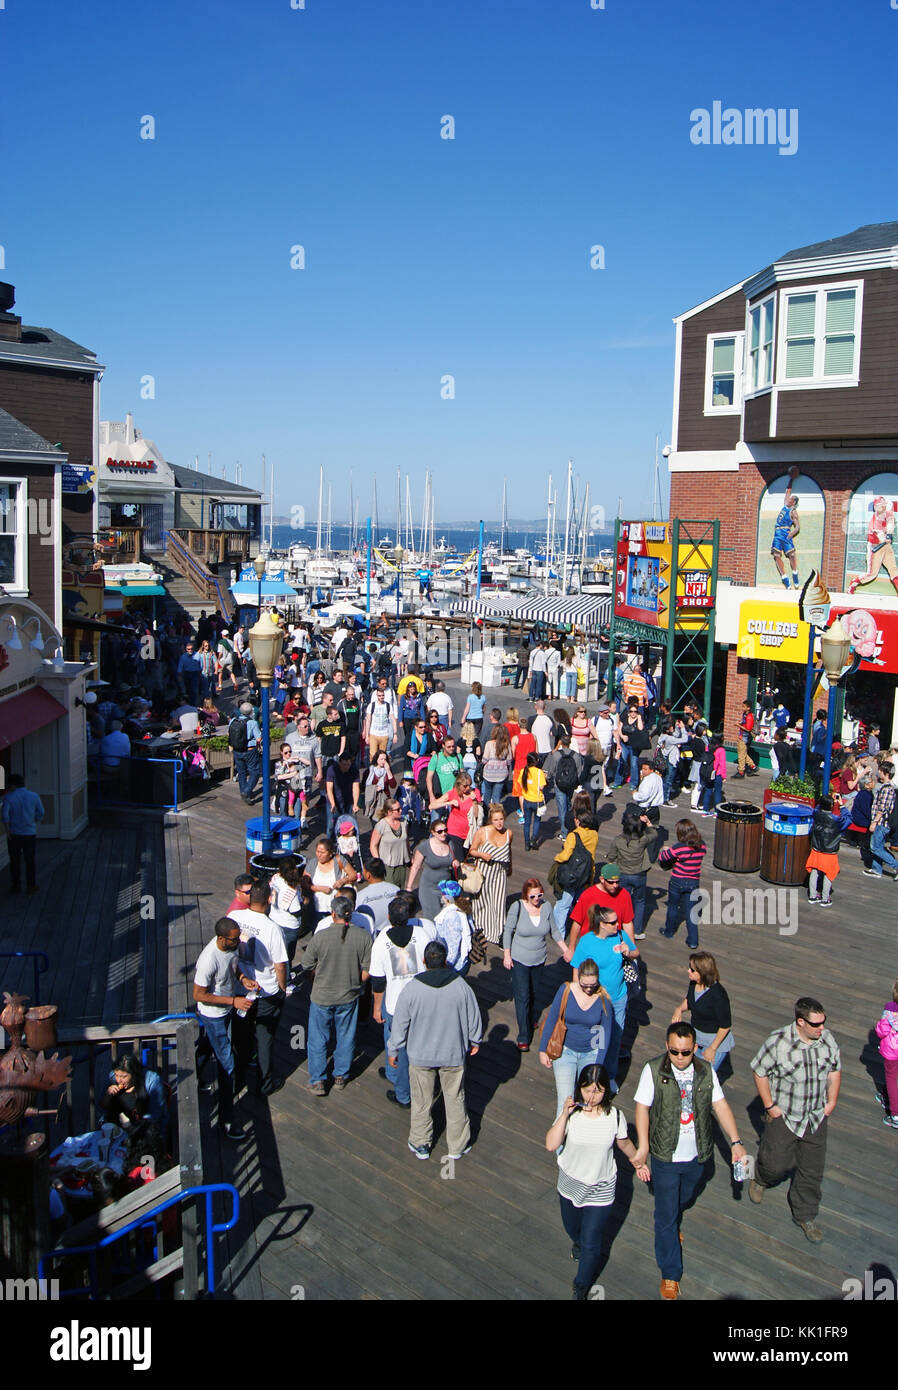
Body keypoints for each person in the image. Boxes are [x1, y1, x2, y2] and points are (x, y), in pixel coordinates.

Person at [633, 1022, 747, 1300]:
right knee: (664, 1216)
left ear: (695, 1048)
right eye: (674, 1051)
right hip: (665, 1155)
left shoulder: (705, 1071)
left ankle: (673, 1224)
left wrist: (735, 1142)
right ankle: (670, 1273)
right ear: (666, 1047)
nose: (680, 1058)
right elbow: (642, 1108)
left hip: (697, 1155)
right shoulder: (653, 1070)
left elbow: (719, 1105)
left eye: (686, 1052)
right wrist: (644, 1145)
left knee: (684, 1197)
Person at [546, 1062, 646, 1300]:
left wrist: (638, 1161)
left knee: (593, 1242)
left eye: (598, 1091)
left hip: (601, 1187)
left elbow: (623, 1143)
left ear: (606, 1091)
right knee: (572, 1227)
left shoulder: (615, 1116)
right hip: (570, 1183)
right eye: (587, 1089)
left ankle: (581, 1284)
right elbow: (551, 1144)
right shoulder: (572, 1115)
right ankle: (577, 1242)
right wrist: (564, 1114)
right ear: (579, 1088)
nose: (591, 1096)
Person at [749, 998, 841, 1242]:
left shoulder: (827, 1040)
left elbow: (834, 1069)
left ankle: (805, 1215)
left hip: (816, 1116)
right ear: (800, 1022)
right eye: (816, 1024)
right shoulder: (778, 1042)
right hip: (786, 1115)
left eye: (824, 1022)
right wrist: (769, 1105)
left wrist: (831, 1101)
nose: (822, 1028)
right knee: (774, 1163)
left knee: (812, 1170)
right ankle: (761, 1178)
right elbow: (759, 1071)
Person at [387, 938, 482, 1161]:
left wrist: (393, 1050)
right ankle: (457, 1145)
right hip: (452, 1054)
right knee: (455, 1098)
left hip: (420, 1056)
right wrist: (474, 1040)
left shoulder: (412, 989)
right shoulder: (461, 986)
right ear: (446, 960)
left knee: (421, 1100)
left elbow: (399, 1024)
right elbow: (473, 1018)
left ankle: (421, 1143)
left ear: (424, 961)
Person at [370, 895, 437, 1108]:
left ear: (389, 917)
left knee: (396, 1046)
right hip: (421, 1001)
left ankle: (402, 1093)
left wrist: (377, 1007)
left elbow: (378, 981)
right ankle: (419, 1085)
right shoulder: (421, 934)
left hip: (395, 1003)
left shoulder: (381, 941)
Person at [193, 918, 256, 1140]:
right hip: (213, 1015)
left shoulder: (231, 948)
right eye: (234, 939)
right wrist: (233, 1001)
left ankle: (197, 1077)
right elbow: (198, 994)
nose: (239, 942)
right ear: (221, 939)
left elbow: (233, 966)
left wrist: (243, 978)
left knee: (208, 1044)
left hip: (224, 1011)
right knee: (227, 1064)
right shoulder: (208, 960)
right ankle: (226, 1121)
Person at [303, 894, 372, 1097]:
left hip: (322, 996)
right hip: (349, 996)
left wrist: (316, 977)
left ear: (333, 914)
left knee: (317, 1039)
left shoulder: (320, 937)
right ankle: (341, 1075)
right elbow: (367, 971)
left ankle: (318, 1080)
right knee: (346, 1036)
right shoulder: (363, 937)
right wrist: (356, 984)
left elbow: (307, 966)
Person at [228, 879, 289, 1097]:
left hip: (239, 987)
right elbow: (280, 965)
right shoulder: (272, 928)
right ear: (268, 900)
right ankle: (264, 1083)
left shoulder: (234, 918)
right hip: (266, 991)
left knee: (240, 1037)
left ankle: (237, 1079)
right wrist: (283, 988)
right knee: (264, 1038)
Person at [569, 903, 638, 1088]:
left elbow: (636, 951)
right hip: (596, 1000)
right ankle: (591, 1077)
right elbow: (576, 967)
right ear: (602, 924)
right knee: (596, 1040)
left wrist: (628, 951)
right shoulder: (586, 941)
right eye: (613, 922)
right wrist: (576, 995)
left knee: (615, 1038)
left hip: (618, 998)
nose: (618, 924)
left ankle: (610, 1076)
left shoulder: (620, 936)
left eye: (618, 921)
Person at [539, 960, 614, 1113]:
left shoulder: (603, 999)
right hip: (565, 1051)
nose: (588, 989)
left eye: (592, 985)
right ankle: (560, 1134)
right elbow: (552, 1018)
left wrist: (597, 1067)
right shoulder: (566, 990)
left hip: (590, 1054)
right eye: (584, 984)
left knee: (587, 1102)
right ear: (578, 977)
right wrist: (542, 1049)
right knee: (565, 1103)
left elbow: (604, 1036)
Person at [503, 877, 566, 1051]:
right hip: (519, 958)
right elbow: (508, 931)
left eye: (539, 895)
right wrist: (507, 955)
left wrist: (565, 950)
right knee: (522, 995)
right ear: (525, 896)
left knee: (533, 991)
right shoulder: (517, 907)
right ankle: (524, 1035)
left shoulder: (546, 907)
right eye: (532, 897)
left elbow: (554, 930)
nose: (536, 899)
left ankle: (529, 1018)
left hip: (539, 958)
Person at [671, 951, 734, 1073]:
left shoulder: (718, 995)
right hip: (697, 1038)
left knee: (704, 1078)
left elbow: (725, 1026)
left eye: (692, 970)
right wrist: (679, 1009)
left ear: (703, 973)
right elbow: (690, 1000)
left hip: (713, 1042)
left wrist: (712, 1049)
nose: (688, 971)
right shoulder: (694, 984)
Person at [607, 806, 657, 941]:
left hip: (623, 874)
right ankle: (638, 930)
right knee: (639, 901)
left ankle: (620, 927)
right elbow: (654, 834)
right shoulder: (642, 840)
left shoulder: (618, 840)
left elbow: (611, 857)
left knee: (622, 901)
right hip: (639, 874)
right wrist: (648, 823)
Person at [467, 801, 514, 945]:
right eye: (495, 820)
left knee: (499, 902)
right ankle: (481, 930)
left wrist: (510, 867)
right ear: (490, 820)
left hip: (499, 871)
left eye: (501, 819)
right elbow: (471, 850)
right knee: (482, 901)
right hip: (484, 870)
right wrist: (482, 855)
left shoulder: (508, 833)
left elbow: (509, 851)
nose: (499, 823)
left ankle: (500, 935)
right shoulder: (483, 832)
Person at [658, 819, 707, 948]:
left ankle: (669, 931)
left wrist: (664, 850)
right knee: (691, 912)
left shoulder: (679, 847)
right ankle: (693, 940)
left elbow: (663, 858)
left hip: (677, 881)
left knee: (673, 906)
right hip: (693, 882)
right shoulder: (702, 845)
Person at [551, 807, 598, 935]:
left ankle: (558, 933)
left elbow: (565, 855)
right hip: (586, 874)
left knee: (562, 905)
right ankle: (587, 928)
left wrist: (557, 857)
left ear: (577, 821)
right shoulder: (594, 835)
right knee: (582, 902)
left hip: (572, 874)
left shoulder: (573, 835)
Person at [405, 818, 459, 920]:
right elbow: (416, 866)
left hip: (446, 889)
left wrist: (454, 862)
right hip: (429, 889)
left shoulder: (450, 842)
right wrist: (409, 887)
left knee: (447, 919)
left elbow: (451, 859)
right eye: (440, 831)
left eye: (445, 830)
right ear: (433, 833)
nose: (444, 833)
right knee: (432, 919)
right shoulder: (425, 846)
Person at [103, 1052, 169, 1133]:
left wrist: (131, 1126)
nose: (119, 1080)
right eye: (116, 1075)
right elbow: (102, 1107)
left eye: (124, 1077)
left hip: (145, 1129)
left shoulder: (150, 1080)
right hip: (116, 1129)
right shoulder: (112, 1078)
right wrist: (108, 1095)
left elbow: (156, 1114)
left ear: (134, 1074)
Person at [2, 772, 45, 894]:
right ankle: (31, 886)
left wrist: (8, 831)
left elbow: (5, 816)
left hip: (14, 833)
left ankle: (16, 885)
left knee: (14, 860)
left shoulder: (8, 797)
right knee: (30, 860)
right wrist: (33, 821)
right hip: (29, 832)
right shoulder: (34, 796)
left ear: (13, 785)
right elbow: (41, 812)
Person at [806, 793, 851, 904]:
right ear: (831, 806)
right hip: (830, 851)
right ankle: (825, 898)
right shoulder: (836, 820)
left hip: (817, 848)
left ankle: (812, 896)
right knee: (829, 873)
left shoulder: (816, 814)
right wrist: (842, 805)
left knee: (814, 871)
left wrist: (823, 802)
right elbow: (849, 819)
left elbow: (816, 809)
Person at [302, 836, 356, 924]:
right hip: (317, 908)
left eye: (322, 852)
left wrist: (342, 881)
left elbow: (353, 875)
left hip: (336, 909)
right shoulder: (312, 863)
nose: (319, 855)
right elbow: (304, 883)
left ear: (330, 853)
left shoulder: (339, 860)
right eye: (317, 851)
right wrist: (319, 888)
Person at [430, 770, 482, 862]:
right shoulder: (453, 793)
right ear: (458, 785)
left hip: (469, 833)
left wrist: (474, 801)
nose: (468, 788)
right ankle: (457, 875)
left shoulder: (475, 792)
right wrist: (449, 802)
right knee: (459, 860)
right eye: (465, 786)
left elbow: (476, 815)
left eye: (470, 785)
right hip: (454, 832)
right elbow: (432, 806)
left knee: (467, 859)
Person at [543, 735, 583, 841]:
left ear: (561, 743)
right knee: (569, 804)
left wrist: (549, 778)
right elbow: (579, 771)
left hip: (559, 784)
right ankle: (571, 825)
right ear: (570, 742)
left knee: (562, 808)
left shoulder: (556, 755)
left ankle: (564, 832)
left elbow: (552, 770)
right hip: (571, 784)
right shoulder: (576, 756)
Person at [864, 760, 898, 879]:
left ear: (885, 773)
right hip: (883, 822)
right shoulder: (889, 787)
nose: (878, 772)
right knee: (879, 845)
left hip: (882, 822)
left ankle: (896, 866)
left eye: (880, 770)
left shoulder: (887, 788)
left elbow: (882, 808)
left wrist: (874, 822)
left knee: (875, 847)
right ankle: (876, 869)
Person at [770, 467, 802, 589]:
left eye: (791, 499)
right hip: (778, 533)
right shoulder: (785, 505)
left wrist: (791, 534)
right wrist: (791, 479)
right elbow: (787, 491)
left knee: (792, 555)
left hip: (786, 532)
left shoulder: (793, 512)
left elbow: (797, 527)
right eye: (789, 498)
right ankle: (785, 577)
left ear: (794, 502)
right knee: (776, 555)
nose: (789, 499)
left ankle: (795, 573)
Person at [433, 880, 473, 975]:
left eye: (443, 894)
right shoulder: (462, 908)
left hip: (455, 967)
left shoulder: (451, 917)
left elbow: (453, 946)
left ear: (447, 898)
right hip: (460, 963)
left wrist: (445, 966)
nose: (441, 897)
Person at [873, 979, 898, 1129]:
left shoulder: (890, 1009)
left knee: (892, 1079)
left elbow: (882, 1031)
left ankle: (895, 1114)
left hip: (892, 1052)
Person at [369, 800, 411, 888]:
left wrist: (409, 857)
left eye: (401, 808)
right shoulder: (381, 825)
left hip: (401, 863)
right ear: (389, 812)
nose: (401, 811)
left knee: (400, 890)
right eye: (398, 809)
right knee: (389, 890)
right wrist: (378, 863)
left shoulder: (404, 822)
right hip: (387, 865)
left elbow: (406, 840)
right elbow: (373, 845)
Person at [229, 702, 263, 805]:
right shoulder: (252, 723)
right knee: (255, 772)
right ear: (251, 711)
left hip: (237, 749)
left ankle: (244, 792)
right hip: (250, 750)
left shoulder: (233, 721)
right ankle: (246, 792)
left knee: (241, 772)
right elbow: (258, 738)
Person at [356, 857, 400, 933]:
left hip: (374, 937)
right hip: (396, 933)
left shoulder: (360, 896)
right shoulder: (396, 889)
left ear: (368, 874)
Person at [324, 754, 360, 839]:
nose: (346, 767)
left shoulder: (354, 770)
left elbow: (355, 787)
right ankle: (328, 843)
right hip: (334, 799)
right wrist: (333, 804)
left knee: (347, 825)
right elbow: (329, 788)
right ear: (339, 763)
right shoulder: (332, 769)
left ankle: (343, 844)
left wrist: (355, 804)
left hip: (348, 800)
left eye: (348, 764)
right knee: (331, 825)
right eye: (344, 765)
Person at [520, 752, 547, 852]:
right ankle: (534, 839)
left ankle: (527, 843)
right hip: (537, 800)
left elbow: (520, 783)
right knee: (537, 820)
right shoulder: (539, 772)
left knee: (527, 823)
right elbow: (541, 787)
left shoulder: (524, 771)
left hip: (527, 800)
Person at [480, 723, 512, 808]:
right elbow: (509, 760)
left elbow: (485, 759)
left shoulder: (489, 744)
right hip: (501, 774)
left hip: (489, 774)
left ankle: (486, 812)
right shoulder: (507, 745)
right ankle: (497, 812)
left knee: (487, 793)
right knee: (496, 795)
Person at [733, 700, 758, 778]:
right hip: (742, 736)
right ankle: (752, 766)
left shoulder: (749, 716)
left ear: (748, 708)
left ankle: (741, 771)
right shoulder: (745, 714)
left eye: (744, 706)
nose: (742, 708)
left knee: (741, 755)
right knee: (742, 752)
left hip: (745, 737)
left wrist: (738, 725)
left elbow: (748, 729)